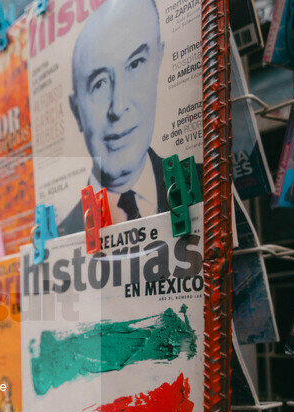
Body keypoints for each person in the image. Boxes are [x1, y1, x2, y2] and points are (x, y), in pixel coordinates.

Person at [57, 0, 200, 235]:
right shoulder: (63, 235)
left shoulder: (209, 185)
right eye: (99, 83)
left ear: (158, 62)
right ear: (76, 110)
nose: (118, 106)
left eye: (134, 65)